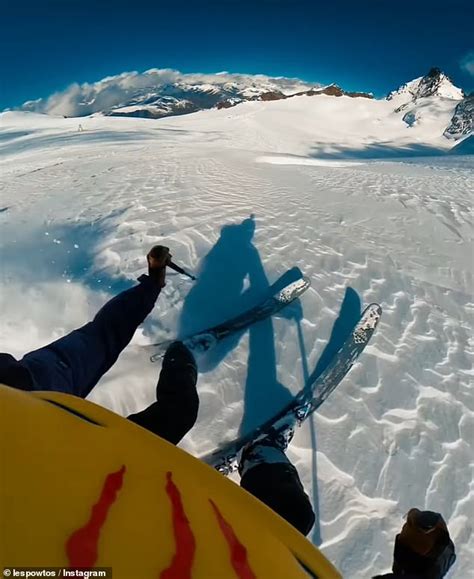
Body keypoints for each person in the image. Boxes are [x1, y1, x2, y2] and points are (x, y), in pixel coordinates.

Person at [0, 245, 457, 578]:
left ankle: (189, 360)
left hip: (93, 456)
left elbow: (98, 338)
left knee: (182, 413)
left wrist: (152, 284)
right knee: (288, 516)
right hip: (104, 471)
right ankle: (260, 453)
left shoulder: (21, 389)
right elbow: (96, 340)